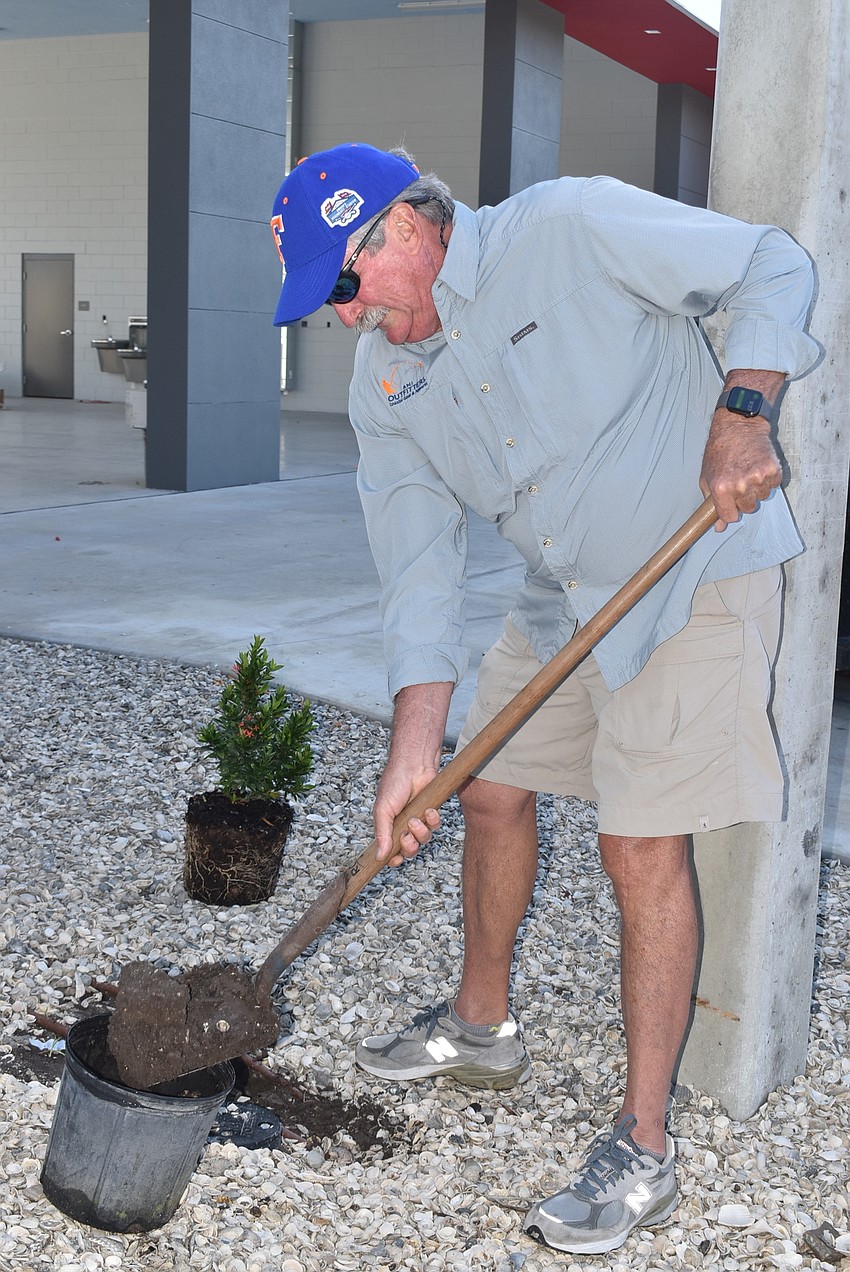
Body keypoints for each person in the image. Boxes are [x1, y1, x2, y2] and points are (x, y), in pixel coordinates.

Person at [269, 143, 818, 1256]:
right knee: (485, 791)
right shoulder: (386, 383)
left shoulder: (566, 230)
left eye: (341, 283)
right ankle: (481, 1028)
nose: (339, 317)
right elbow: (417, 580)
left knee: (637, 849)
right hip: (559, 593)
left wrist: (744, 409)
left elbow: (772, 263)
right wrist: (412, 754)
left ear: (404, 232)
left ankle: (646, 1143)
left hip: (691, 577)